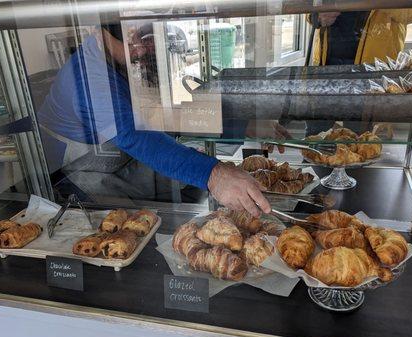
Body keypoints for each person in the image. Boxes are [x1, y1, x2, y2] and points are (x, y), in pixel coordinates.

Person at [38, 23, 273, 217]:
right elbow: (134, 137)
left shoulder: (121, 63)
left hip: (120, 162)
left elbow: (164, 114)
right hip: (80, 175)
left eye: (142, 40)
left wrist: (243, 127)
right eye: (131, 44)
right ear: (100, 35)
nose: (140, 52)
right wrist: (214, 175)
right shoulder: (89, 78)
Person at [310, 8, 412, 66]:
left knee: (373, 109)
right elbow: (308, 7)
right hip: (327, 62)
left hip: (376, 66)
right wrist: (315, 16)